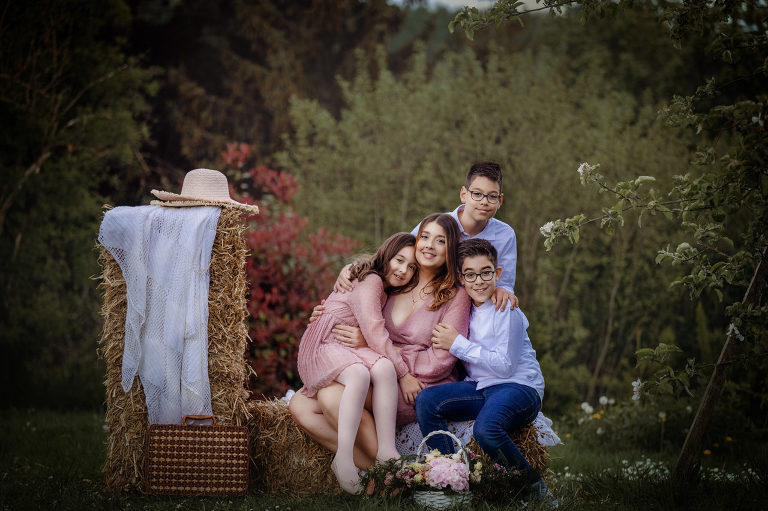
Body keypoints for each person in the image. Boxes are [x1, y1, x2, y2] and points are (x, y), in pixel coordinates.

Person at [289, 213, 471, 474]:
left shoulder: (454, 295)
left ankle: (391, 472)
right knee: (299, 405)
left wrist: (391, 358)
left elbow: (441, 361)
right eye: (425, 237)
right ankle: (376, 472)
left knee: (331, 397)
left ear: (450, 250)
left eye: (440, 241)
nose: (429, 245)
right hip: (376, 369)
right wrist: (329, 312)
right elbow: (364, 313)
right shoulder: (398, 282)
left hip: (415, 383)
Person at [415, 238, 555, 502]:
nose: (478, 281)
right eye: (470, 274)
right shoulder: (463, 308)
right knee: (427, 401)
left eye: (485, 273)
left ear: (497, 273)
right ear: (461, 277)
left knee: (486, 429)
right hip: (480, 387)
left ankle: (535, 489)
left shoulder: (506, 309)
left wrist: (457, 344)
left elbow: (504, 366)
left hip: (518, 387)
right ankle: (453, 480)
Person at [296, 232, 419, 493]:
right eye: (399, 260)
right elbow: (374, 330)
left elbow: (369, 334)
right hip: (325, 342)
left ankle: (387, 450)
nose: (403, 270)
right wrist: (404, 373)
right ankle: (343, 457)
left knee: (384, 367)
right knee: (358, 375)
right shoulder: (372, 280)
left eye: (411, 267)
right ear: (385, 255)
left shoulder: (382, 287)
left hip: (346, 343)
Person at [335, 161, 518, 310]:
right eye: (477, 194)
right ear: (464, 194)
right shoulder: (438, 225)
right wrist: (356, 267)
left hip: (474, 307)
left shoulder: (505, 235)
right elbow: (400, 253)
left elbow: (505, 282)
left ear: (499, 201)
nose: (484, 202)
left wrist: (504, 290)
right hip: (430, 302)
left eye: (491, 197)